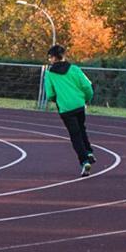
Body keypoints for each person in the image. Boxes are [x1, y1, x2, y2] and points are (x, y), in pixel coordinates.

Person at [43, 44, 96, 176]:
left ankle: (84, 161)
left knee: (75, 135)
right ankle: (88, 151)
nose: (49, 60)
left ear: (54, 58)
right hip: (79, 104)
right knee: (82, 128)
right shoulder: (75, 69)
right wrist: (87, 98)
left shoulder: (50, 74)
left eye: (50, 57)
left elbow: (49, 94)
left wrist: (58, 99)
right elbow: (87, 86)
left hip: (65, 108)